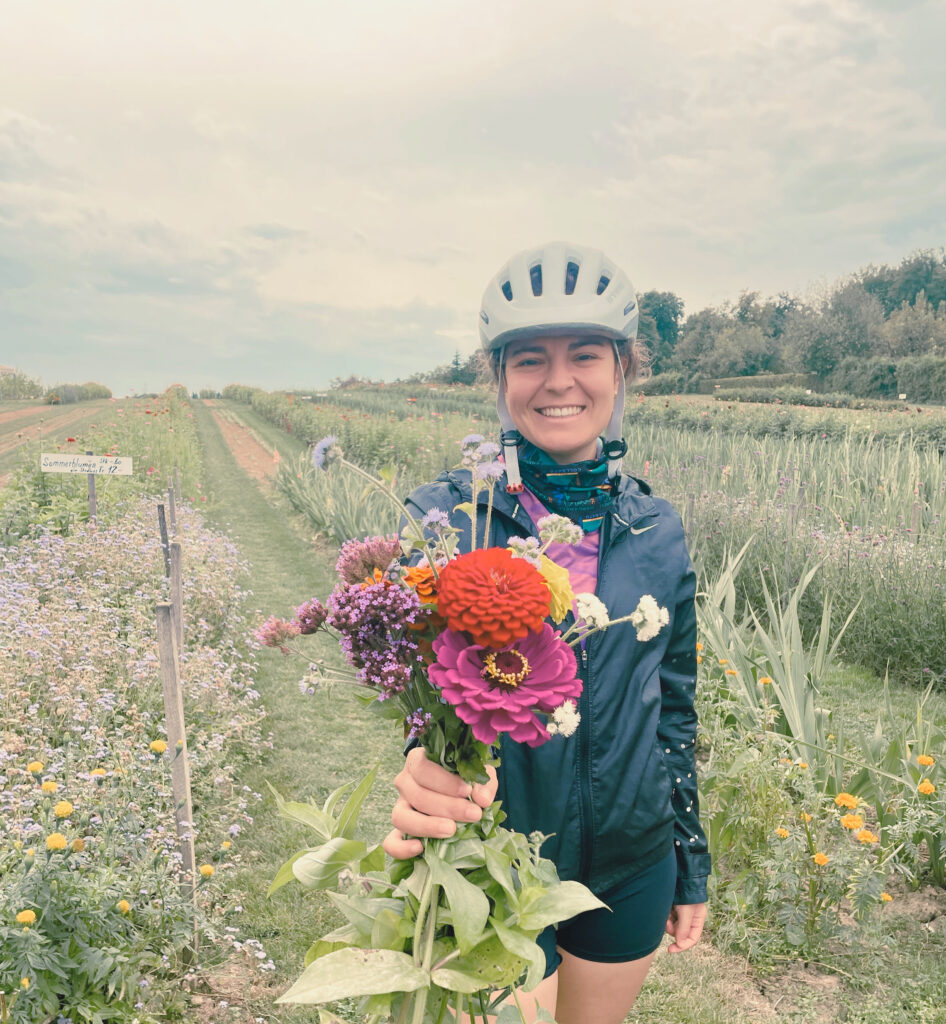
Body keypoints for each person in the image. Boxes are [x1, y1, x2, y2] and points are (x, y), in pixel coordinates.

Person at [383, 241, 710, 1024]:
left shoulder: (658, 529)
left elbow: (674, 706)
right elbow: (415, 696)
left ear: (623, 370)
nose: (559, 381)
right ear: (497, 381)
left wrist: (687, 859)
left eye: (586, 354)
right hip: (494, 863)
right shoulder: (445, 520)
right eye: (529, 359)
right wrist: (424, 772)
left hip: (631, 866)